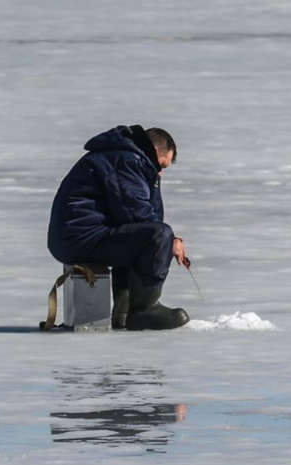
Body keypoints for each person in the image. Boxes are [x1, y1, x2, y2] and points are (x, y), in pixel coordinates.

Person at [47, 125, 189, 330]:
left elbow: (141, 219)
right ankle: (144, 310)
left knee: (140, 235)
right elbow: (138, 215)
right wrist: (171, 240)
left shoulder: (123, 156)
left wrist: (154, 181)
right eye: (162, 165)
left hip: (77, 236)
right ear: (155, 151)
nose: (159, 171)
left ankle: (123, 312)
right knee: (158, 235)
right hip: (80, 238)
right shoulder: (126, 160)